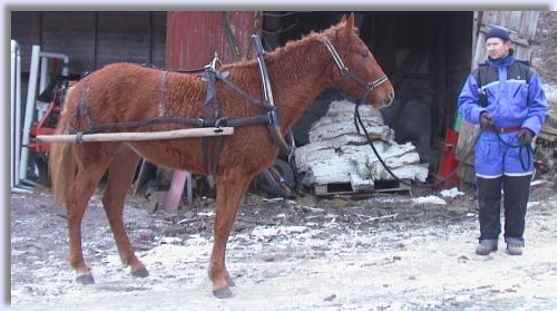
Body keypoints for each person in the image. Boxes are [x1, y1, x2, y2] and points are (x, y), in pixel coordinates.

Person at [458, 25, 548, 256]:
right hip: (490, 142)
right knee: (488, 193)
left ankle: (515, 237)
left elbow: (538, 106)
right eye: (488, 44)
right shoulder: (479, 75)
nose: (491, 48)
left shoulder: (526, 73)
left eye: (496, 44)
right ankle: (488, 238)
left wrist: (530, 128)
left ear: (508, 45)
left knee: (517, 194)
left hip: (518, 142)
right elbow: (465, 103)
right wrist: (479, 115)